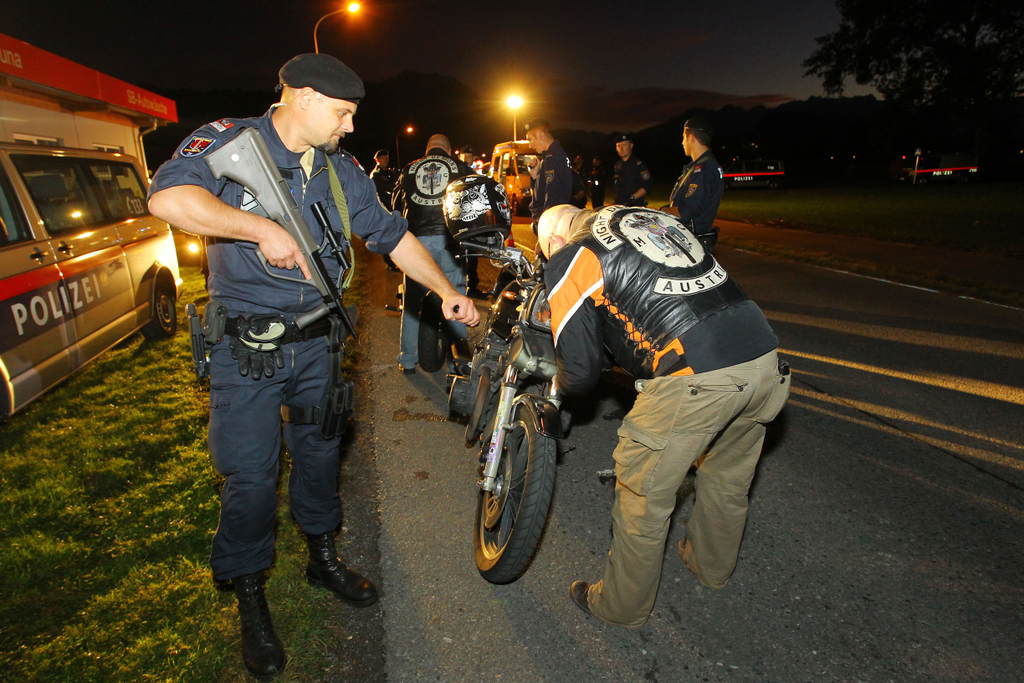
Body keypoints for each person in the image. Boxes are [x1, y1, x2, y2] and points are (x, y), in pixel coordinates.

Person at [147, 53, 478, 678]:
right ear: (302, 97)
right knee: (250, 475)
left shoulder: (340, 169)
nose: (351, 126)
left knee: (322, 454)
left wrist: (446, 290)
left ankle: (322, 558)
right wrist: (253, 229)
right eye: (343, 113)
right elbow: (167, 197)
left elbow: (390, 234)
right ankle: (250, 594)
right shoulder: (229, 141)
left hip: (319, 347)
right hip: (248, 349)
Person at [537, 203, 790, 629]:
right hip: (765, 357)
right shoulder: (645, 216)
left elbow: (580, 373)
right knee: (727, 478)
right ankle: (710, 568)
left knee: (643, 494)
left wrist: (558, 381)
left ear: (554, 242)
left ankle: (621, 607)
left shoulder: (572, 254)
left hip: (696, 374)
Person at [391, 134, 473, 372]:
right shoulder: (461, 168)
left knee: (412, 303)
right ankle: (460, 362)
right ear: (448, 150)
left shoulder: (409, 169)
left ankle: (407, 359)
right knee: (456, 297)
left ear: (427, 150)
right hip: (450, 240)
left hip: (415, 244)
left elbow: (396, 205)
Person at [665, 116, 724, 252]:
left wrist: (663, 211)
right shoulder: (700, 166)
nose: (682, 143)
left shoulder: (704, 170)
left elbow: (686, 212)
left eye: (684, 138)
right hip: (690, 240)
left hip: (693, 243)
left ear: (691, 138)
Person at [523, 117, 572, 233]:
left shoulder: (553, 158)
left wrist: (547, 230)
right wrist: (535, 177)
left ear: (540, 134)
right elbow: (543, 190)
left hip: (550, 225)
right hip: (550, 222)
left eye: (530, 139)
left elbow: (553, 196)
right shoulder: (551, 157)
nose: (530, 145)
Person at [457, 146, 484, 296]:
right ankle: (461, 286)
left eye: (470, 156)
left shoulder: (473, 173)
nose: (468, 159)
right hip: (457, 217)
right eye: (465, 156)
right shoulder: (456, 171)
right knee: (460, 253)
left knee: (472, 253)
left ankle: (472, 285)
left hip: (470, 216)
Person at [613, 134, 653, 206]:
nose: (621, 149)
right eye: (618, 146)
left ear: (631, 146)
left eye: (624, 145)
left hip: (634, 206)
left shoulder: (638, 164)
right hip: (619, 205)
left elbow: (648, 185)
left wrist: (632, 197)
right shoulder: (617, 165)